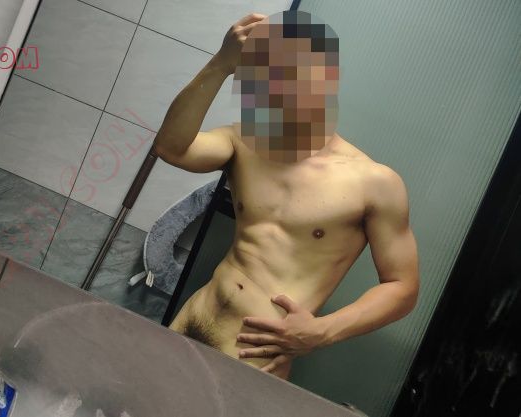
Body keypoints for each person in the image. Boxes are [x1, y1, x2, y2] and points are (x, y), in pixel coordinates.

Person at [152, 10, 420, 381]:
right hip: (190, 321)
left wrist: (322, 331)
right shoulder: (243, 142)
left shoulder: (373, 183)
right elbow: (170, 147)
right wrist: (221, 64)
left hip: (253, 360)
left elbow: (402, 287)